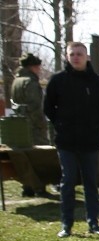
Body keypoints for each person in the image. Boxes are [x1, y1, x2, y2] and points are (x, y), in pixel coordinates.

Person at [44, 41, 99, 238]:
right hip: (66, 141)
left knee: (90, 182)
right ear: (67, 56)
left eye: (80, 54)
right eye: (72, 54)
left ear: (87, 57)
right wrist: (62, 125)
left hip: (90, 141)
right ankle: (66, 224)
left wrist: (91, 125)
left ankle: (93, 223)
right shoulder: (58, 81)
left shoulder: (98, 82)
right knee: (68, 182)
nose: (76, 57)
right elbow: (48, 108)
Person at [11, 53, 49, 197]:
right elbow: (35, 107)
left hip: (20, 125)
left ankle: (27, 186)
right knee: (40, 157)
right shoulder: (31, 82)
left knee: (24, 158)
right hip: (33, 125)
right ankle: (39, 186)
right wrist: (41, 125)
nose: (39, 70)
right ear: (33, 67)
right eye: (38, 67)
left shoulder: (16, 81)